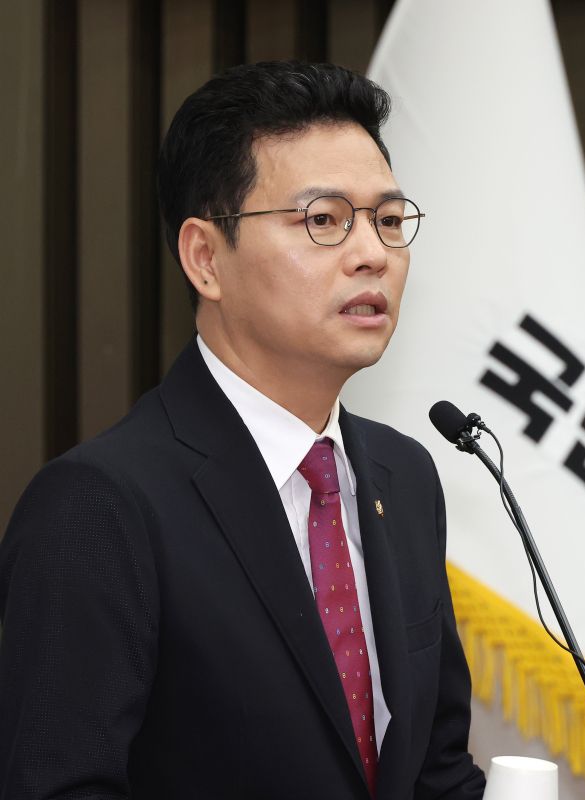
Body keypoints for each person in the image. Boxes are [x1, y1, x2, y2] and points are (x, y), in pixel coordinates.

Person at [0, 61, 485, 800]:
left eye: (389, 221)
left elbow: (437, 772)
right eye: (323, 220)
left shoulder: (406, 476)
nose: (372, 254)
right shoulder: (99, 507)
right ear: (205, 258)